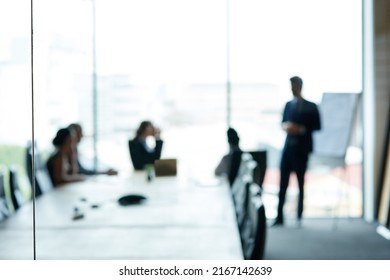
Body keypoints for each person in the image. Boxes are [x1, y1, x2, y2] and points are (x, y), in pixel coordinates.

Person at [273, 76, 321, 226]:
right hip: (287, 149)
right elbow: (282, 123)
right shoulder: (288, 105)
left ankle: (299, 216)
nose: (291, 89)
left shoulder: (311, 106)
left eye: (293, 86)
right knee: (282, 184)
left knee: (300, 183)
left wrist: (299, 129)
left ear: (299, 86)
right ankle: (279, 217)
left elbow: (317, 126)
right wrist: (286, 127)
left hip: (302, 149)